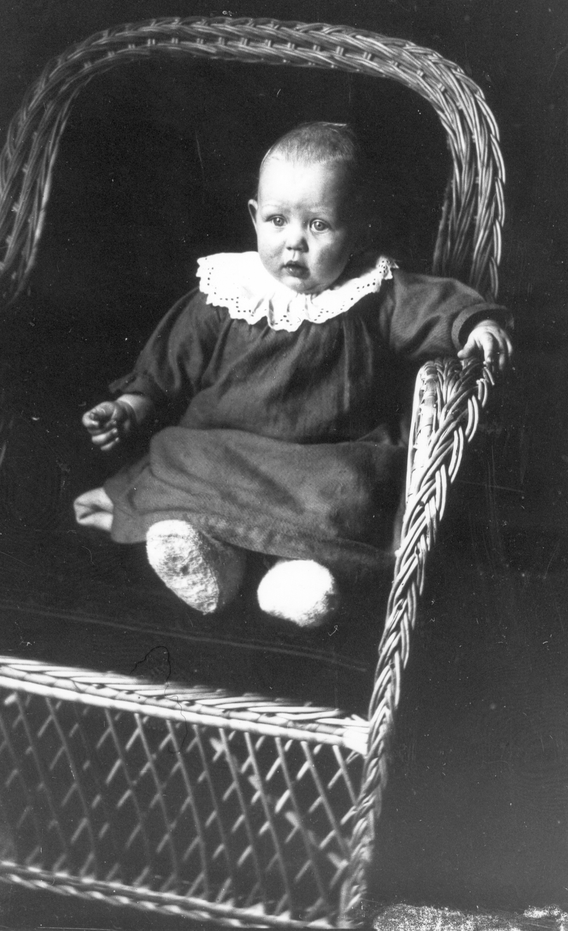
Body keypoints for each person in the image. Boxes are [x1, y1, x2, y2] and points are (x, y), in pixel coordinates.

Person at [74, 122, 512, 628]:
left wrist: (474, 325)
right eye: (278, 220)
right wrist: (130, 406)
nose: (294, 242)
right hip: (224, 451)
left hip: (321, 464)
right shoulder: (229, 289)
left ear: (358, 230)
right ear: (254, 216)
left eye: (319, 225)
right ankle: (209, 556)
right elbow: (169, 362)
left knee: (350, 492)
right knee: (181, 456)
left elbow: (436, 308)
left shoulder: (374, 291)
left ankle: (297, 576)